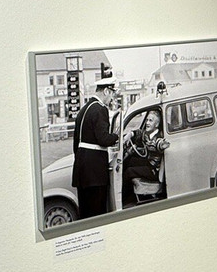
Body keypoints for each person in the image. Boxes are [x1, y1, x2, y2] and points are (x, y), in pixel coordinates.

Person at [71, 77, 120, 219]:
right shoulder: (100, 109)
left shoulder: (84, 109)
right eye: (111, 94)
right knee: (97, 214)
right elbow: (103, 139)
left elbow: (76, 143)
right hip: (95, 173)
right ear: (106, 91)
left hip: (82, 170)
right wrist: (117, 136)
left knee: (86, 213)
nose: (111, 99)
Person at [121, 109, 169, 206]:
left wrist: (163, 144)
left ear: (156, 124)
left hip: (153, 170)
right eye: (147, 120)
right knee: (130, 161)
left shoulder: (158, 137)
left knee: (129, 171)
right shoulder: (147, 134)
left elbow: (159, 144)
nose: (147, 123)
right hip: (148, 162)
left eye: (150, 121)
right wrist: (130, 134)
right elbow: (138, 132)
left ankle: (125, 199)